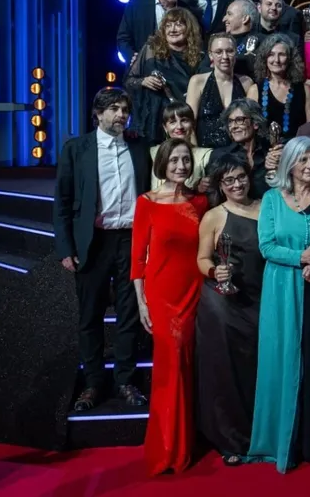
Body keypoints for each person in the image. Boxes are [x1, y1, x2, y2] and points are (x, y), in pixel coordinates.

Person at [249, 137, 310, 473]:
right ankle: (281, 443)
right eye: (303, 160)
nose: (309, 166)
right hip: (282, 292)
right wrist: (300, 257)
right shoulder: (272, 200)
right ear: (289, 164)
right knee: (284, 362)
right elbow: (266, 246)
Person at [53, 87, 151, 412]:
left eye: (125, 109)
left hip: (131, 239)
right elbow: (63, 202)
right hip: (93, 242)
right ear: (98, 114)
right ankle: (93, 382)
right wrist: (66, 247)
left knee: (129, 314)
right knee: (90, 315)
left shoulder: (139, 146)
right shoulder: (76, 149)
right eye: (114, 109)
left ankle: (125, 380)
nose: (121, 114)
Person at [130, 138, 210, 474]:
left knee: (189, 365)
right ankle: (166, 448)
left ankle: (186, 442)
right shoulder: (146, 202)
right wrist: (141, 301)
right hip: (162, 295)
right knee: (171, 365)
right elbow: (136, 259)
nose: (181, 166)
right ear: (162, 163)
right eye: (174, 160)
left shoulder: (202, 202)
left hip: (196, 292)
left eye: (185, 160)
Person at [195, 155, 263, 466]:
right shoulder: (212, 216)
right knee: (227, 372)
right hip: (223, 304)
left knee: (259, 371)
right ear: (221, 186)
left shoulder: (268, 206)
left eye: (240, 178)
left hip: (263, 300)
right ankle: (230, 440)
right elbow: (203, 258)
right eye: (229, 180)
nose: (236, 184)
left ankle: (261, 434)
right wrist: (213, 273)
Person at [124, 7, 208, 144]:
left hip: (185, 118)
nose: (172, 30)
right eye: (168, 25)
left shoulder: (200, 56)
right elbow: (129, 81)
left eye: (178, 24)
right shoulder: (151, 49)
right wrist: (143, 81)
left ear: (189, 28)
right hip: (154, 120)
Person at [116, 0, 194, 63]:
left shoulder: (188, 11)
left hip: (175, 73)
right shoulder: (136, 5)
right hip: (141, 71)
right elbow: (123, 39)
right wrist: (133, 57)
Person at [186, 33, 254, 149]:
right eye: (218, 52)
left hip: (238, 154)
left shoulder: (246, 83)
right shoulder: (197, 82)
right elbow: (190, 124)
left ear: (236, 53)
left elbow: (251, 125)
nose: (225, 57)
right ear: (210, 55)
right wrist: (197, 156)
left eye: (229, 51)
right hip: (206, 154)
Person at [246, 33, 310, 139]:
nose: (276, 60)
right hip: (266, 152)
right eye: (271, 54)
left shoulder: (304, 89)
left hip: (296, 150)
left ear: (290, 59)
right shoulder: (254, 91)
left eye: (282, 54)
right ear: (265, 58)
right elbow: (249, 130)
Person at [207, 99, 273, 198]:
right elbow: (213, 195)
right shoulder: (219, 156)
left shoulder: (270, 153)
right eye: (230, 122)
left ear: (255, 123)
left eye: (239, 120)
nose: (233, 126)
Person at [148, 101, 211, 190]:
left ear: (193, 124)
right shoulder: (153, 152)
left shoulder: (206, 155)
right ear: (165, 128)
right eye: (173, 122)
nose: (179, 126)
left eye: (184, 120)